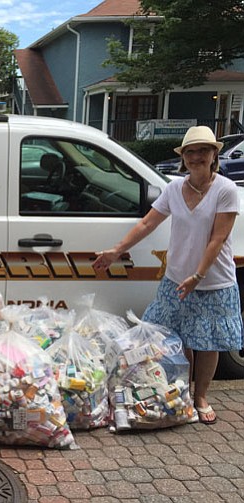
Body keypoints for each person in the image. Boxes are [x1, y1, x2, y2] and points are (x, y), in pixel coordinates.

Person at [93, 125, 243, 425]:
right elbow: (148, 223)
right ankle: (181, 391)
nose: (196, 156)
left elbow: (218, 239)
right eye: (190, 151)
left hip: (212, 282)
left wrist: (198, 275)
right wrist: (117, 250)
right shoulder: (174, 188)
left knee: (208, 343)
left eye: (203, 150)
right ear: (183, 157)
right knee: (175, 336)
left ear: (214, 154)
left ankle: (200, 396)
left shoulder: (225, 190)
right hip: (176, 279)